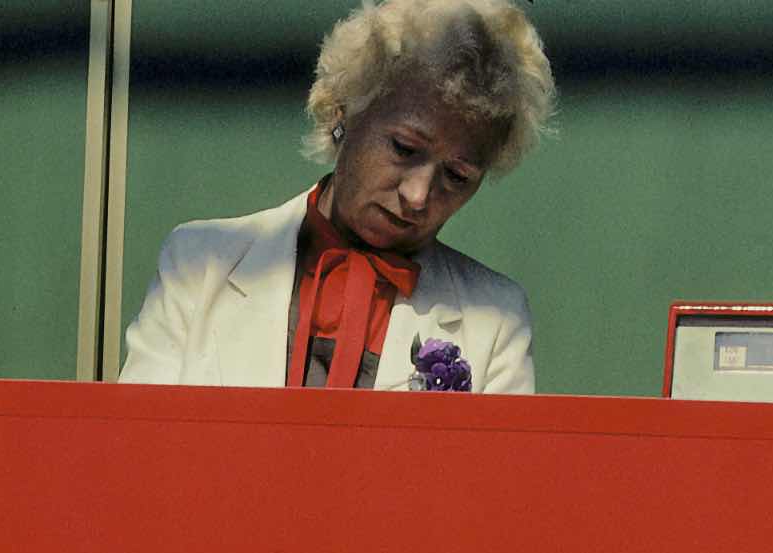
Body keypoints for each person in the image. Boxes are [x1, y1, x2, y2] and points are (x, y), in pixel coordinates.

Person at [119, 0, 555, 393]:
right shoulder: (198, 264)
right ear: (342, 111)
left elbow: (494, 462)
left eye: (457, 176)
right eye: (404, 148)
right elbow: (139, 442)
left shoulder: (495, 318)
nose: (418, 196)